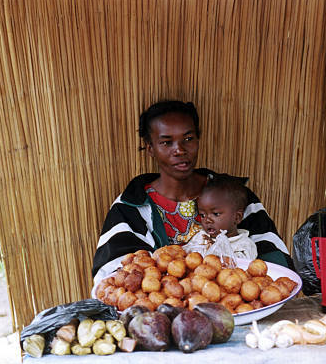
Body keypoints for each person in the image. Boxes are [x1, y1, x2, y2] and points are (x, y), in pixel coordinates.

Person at [92, 100, 294, 282]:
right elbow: (116, 277)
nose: (179, 150)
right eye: (166, 142)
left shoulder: (232, 195)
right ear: (150, 148)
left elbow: (275, 261)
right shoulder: (131, 206)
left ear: (198, 139)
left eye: (188, 139)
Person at [183, 173, 258, 260]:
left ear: (237, 217)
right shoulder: (200, 237)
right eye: (202, 215)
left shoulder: (244, 246)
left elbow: (241, 266)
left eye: (216, 214)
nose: (207, 220)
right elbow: (186, 255)